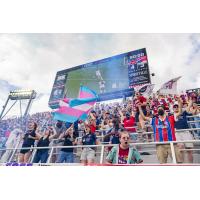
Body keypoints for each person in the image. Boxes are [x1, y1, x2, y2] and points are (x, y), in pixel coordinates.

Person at [173, 98, 194, 163]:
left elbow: (189, 106)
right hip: (178, 133)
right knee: (180, 149)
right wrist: (179, 102)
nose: (176, 108)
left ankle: (191, 166)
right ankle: (182, 165)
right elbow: (179, 111)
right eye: (174, 107)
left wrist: (190, 101)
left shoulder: (184, 112)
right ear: (173, 109)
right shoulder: (172, 115)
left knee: (189, 150)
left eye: (177, 106)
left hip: (186, 132)